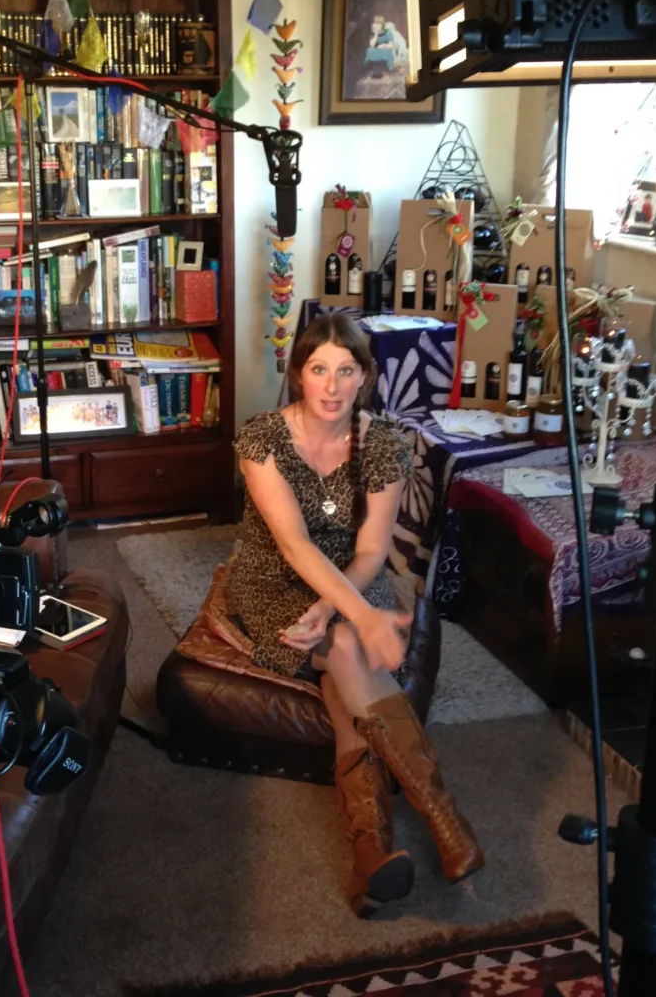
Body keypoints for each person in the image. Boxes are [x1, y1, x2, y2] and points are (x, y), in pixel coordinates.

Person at [227, 312, 484, 919]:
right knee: (348, 647)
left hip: (349, 579)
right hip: (271, 580)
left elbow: (370, 550)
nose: (332, 385)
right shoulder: (261, 438)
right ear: (298, 375)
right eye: (319, 369)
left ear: (366, 376)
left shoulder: (386, 442)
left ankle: (370, 859)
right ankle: (445, 823)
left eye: (347, 370)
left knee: (345, 664)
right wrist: (358, 619)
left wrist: (337, 607)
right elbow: (293, 548)